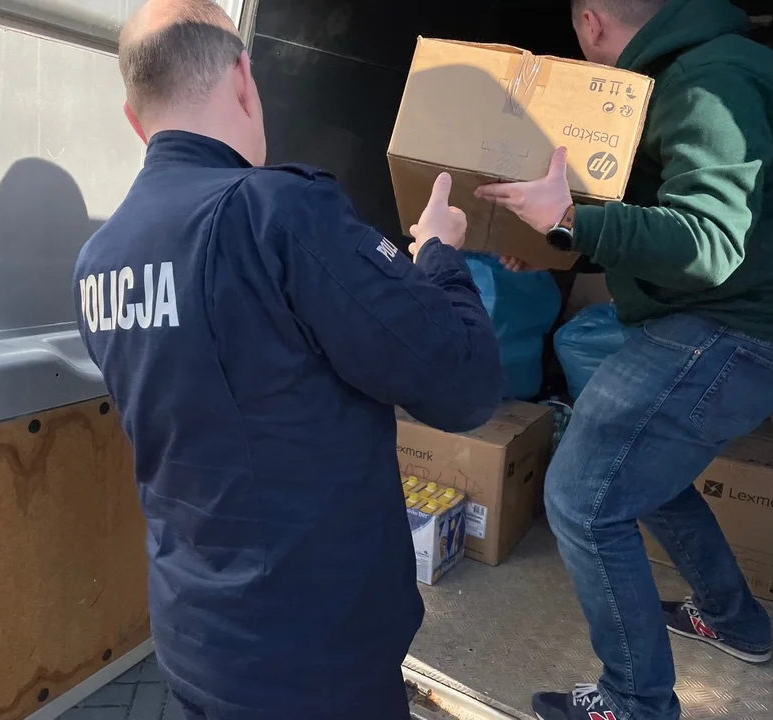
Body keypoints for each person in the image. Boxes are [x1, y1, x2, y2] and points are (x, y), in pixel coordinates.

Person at [72, 1, 505, 718]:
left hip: (192, 636)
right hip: (314, 662)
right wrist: (438, 253)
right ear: (245, 79)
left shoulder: (97, 262)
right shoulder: (279, 213)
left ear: (134, 118)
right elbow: (464, 384)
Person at [475, 0, 773, 719]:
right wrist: (561, 240)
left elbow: (708, 241)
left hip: (738, 326)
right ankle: (732, 620)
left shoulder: (710, 77)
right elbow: (671, 226)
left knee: (581, 498)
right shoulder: (695, 70)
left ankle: (634, 702)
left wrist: (569, 219)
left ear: (591, 22)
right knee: (641, 479)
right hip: (734, 318)